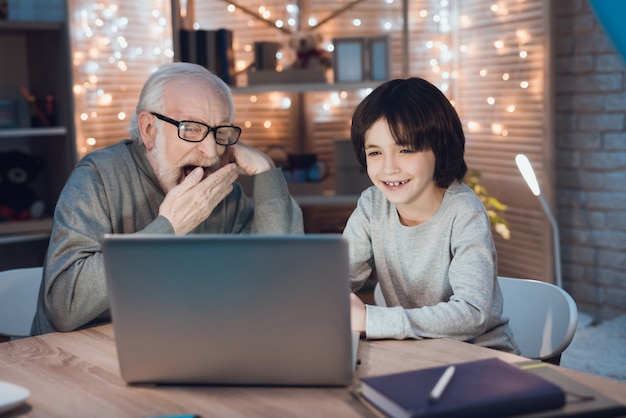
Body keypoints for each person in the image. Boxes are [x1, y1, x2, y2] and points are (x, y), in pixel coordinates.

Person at [31, 62, 303, 335]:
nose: (210, 151)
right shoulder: (97, 177)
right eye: (192, 128)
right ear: (149, 129)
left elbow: (279, 282)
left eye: (220, 131)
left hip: (176, 346)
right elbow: (64, 308)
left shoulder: (221, 188)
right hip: (78, 358)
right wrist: (168, 227)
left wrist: (267, 174)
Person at [345, 77, 519, 353]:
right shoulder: (372, 205)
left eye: (406, 149)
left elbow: (473, 313)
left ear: (440, 148)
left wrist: (370, 318)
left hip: (479, 356)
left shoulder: (463, 212)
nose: (389, 168)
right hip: (412, 352)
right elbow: (333, 280)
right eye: (375, 152)